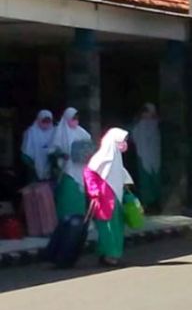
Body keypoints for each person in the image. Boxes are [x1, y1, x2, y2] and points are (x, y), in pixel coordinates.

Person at [84, 128, 133, 267]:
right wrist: (94, 191)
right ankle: (110, 255)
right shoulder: (102, 156)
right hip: (104, 197)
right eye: (121, 141)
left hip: (116, 197)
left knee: (116, 226)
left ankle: (108, 253)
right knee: (108, 227)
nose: (123, 144)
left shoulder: (116, 157)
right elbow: (89, 173)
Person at [50, 108, 92, 219]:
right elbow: (53, 150)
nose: (75, 120)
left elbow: (88, 145)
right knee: (67, 194)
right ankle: (64, 220)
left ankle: (79, 220)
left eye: (77, 118)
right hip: (67, 169)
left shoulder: (81, 132)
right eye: (73, 118)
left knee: (79, 195)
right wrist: (62, 154)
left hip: (80, 167)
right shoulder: (60, 132)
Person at [131, 103, 161, 213]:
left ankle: (155, 204)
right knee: (145, 182)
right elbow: (134, 137)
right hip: (143, 156)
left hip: (155, 157)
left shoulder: (156, 124)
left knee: (155, 181)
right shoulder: (140, 125)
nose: (148, 114)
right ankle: (147, 205)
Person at [20, 110, 54, 182]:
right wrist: (32, 166)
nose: (46, 123)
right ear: (39, 119)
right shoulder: (31, 132)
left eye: (48, 121)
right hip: (33, 169)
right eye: (44, 121)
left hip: (51, 169)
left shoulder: (55, 132)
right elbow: (26, 152)